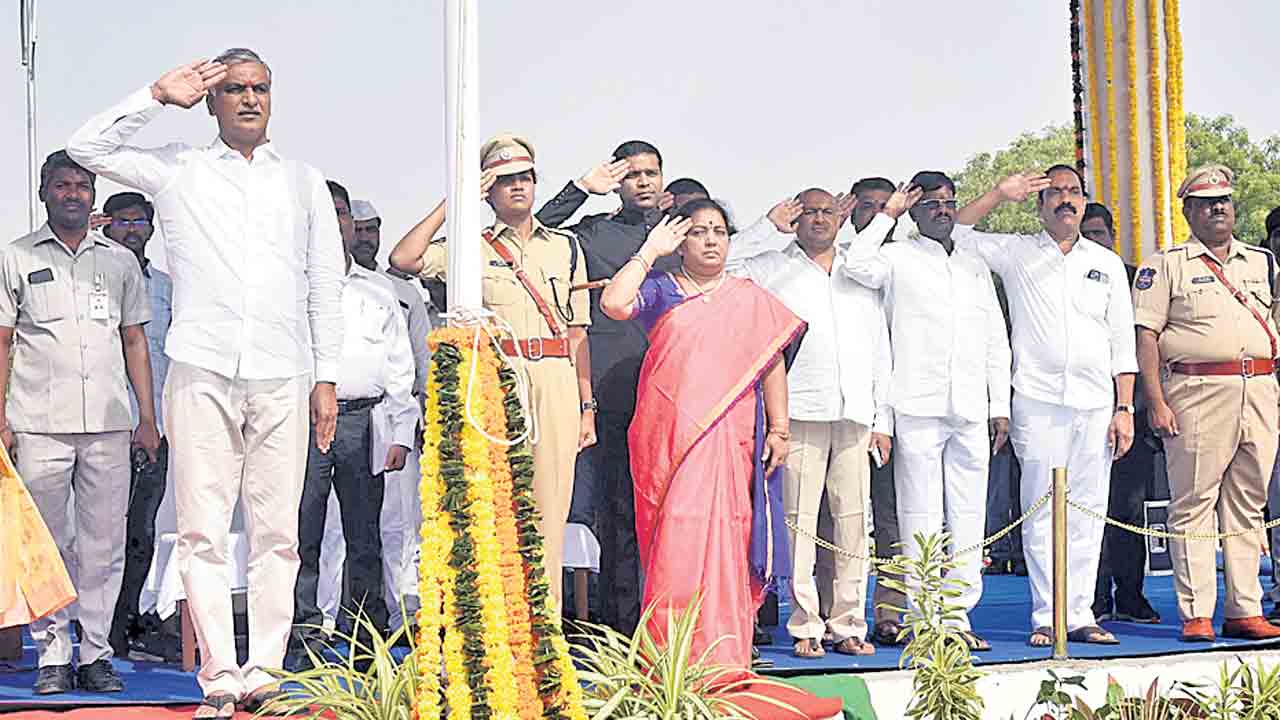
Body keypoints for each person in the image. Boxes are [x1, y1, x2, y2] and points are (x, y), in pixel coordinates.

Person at [67, 49, 345, 718]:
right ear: (212, 102)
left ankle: (266, 671)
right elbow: (84, 147)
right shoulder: (178, 169)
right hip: (201, 368)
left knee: (278, 533)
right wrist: (156, 96)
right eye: (236, 89)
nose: (250, 99)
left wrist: (328, 377)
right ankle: (219, 672)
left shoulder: (302, 181)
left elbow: (324, 282)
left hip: (283, 370)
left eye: (261, 88)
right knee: (202, 532)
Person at [599, 199, 805, 676]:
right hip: (670, 443)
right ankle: (670, 662)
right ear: (680, 241)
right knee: (677, 543)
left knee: (729, 540)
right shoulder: (662, 290)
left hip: (731, 439)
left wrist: (780, 428)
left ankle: (726, 658)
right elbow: (614, 303)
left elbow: (771, 362)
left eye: (719, 231)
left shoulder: (749, 299)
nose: (711, 240)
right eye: (698, 231)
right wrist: (649, 251)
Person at [390, 134, 595, 607]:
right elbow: (404, 258)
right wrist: (456, 201)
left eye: (524, 177)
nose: (517, 187)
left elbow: (578, 334)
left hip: (555, 377)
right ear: (488, 191)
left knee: (550, 509)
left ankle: (543, 622)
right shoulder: (470, 247)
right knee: (496, 506)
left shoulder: (565, 247)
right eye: (504, 181)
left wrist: (587, 407)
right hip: (497, 379)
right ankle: (498, 617)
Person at [954, 166, 1137, 646]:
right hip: (1037, 400)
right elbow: (957, 232)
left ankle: (1079, 613)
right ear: (1039, 205)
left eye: (1073, 192)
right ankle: (1046, 614)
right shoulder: (1018, 252)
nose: (1065, 200)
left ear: (1084, 202)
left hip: (1096, 403)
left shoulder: (1106, 263)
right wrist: (999, 193)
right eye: (1055, 193)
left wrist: (1125, 408)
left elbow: (1123, 341)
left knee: (1088, 510)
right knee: (1040, 509)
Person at [0, 151, 160, 694]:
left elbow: (134, 340)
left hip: (110, 424)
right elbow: (2, 341)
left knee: (103, 545)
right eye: (62, 185)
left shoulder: (118, 262)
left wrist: (147, 418)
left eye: (82, 186)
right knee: (46, 546)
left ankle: (95, 654)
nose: (73, 194)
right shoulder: (16, 257)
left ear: (93, 196)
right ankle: (52, 653)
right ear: (44, 192)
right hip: (38, 424)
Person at [726, 186, 905, 658]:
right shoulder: (772, 266)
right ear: (796, 218)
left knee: (853, 524)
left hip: (855, 413)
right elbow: (723, 265)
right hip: (798, 411)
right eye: (810, 212)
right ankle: (805, 623)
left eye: (828, 212)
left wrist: (882, 417)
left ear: (841, 218)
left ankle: (848, 624)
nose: (820, 220)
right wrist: (766, 227)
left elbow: (880, 347)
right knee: (799, 524)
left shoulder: (859, 269)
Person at [845, 171, 1010, 651]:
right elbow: (855, 263)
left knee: (968, 516)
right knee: (919, 514)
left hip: (971, 406)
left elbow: (995, 338)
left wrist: (999, 404)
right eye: (931, 203)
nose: (942, 210)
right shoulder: (896, 256)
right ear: (914, 211)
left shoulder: (973, 264)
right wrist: (888, 215)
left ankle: (957, 616)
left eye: (948, 202)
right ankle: (924, 618)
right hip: (916, 405)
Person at [1132, 165, 1280, 642]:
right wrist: (1156, 401)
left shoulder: (1261, 262)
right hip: (1196, 390)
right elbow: (1146, 337)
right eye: (1207, 203)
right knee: (1194, 502)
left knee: (1248, 504)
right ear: (1188, 212)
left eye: (1224, 201)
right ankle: (1196, 611)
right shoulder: (1166, 264)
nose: (1218, 208)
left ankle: (1244, 608)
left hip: (1259, 388)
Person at [531, 140, 668, 633]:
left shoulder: (681, 232)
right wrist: (580, 189)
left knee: (675, 516)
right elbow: (533, 236)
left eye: (650, 173)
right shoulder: (594, 232)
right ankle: (620, 627)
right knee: (616, 515)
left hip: (673, 393)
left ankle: (674, 625)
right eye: (632, 175)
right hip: (613, 391)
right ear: (617, 183)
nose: (643, 182)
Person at [290, 181, 417, 668]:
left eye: (341, 214)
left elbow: (399, 365)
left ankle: (367, 642)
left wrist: (401, 432)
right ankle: (302, 639)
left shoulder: (378, 289)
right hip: (303, 423)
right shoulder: (290, 287)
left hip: (363, 422)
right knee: (303, 535)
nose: (334, 222)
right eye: (324, 213)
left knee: (365, 536)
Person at [350, 198, 433, 631]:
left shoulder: (403, 292)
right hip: (345, 415)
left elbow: (422, 360)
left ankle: (403, 612)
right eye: (359, 230)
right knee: (338, 527)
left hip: (394, 414)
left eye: (372, 230)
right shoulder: (327, 286)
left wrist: (421, 421)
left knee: (400, 521)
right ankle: (336, 618)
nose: (365, 239)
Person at [100, 192, 175, 658]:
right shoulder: (93, 278)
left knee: (142, 531)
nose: (131, 230)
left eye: (139, 221)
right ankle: (96, 624)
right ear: (106, 225)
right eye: (122, 221)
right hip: (105, 424)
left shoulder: (166, 285)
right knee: (102, 533)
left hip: (154, 427)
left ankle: (127, 621)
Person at [1081, 203, 1161, 625]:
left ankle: (1130, 596)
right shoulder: (1060, 276)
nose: (1092, 241)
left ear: (1112, 235)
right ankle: (1091, 598)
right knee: (1084, 509)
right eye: (1085, 233)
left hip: (1132, 413)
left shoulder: (1135, 280)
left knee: (1129, 511)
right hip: (1080, 412)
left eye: (1098, 233)